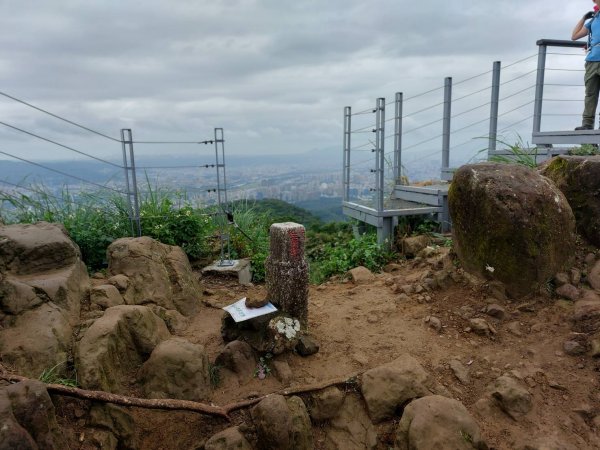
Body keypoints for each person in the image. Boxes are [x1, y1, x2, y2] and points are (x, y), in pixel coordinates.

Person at [573, 1, 600, 130]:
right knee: (590, 94)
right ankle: (587, 125)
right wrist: (584, 18)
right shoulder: (593, 20)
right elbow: (574, 36)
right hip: (592, 61)